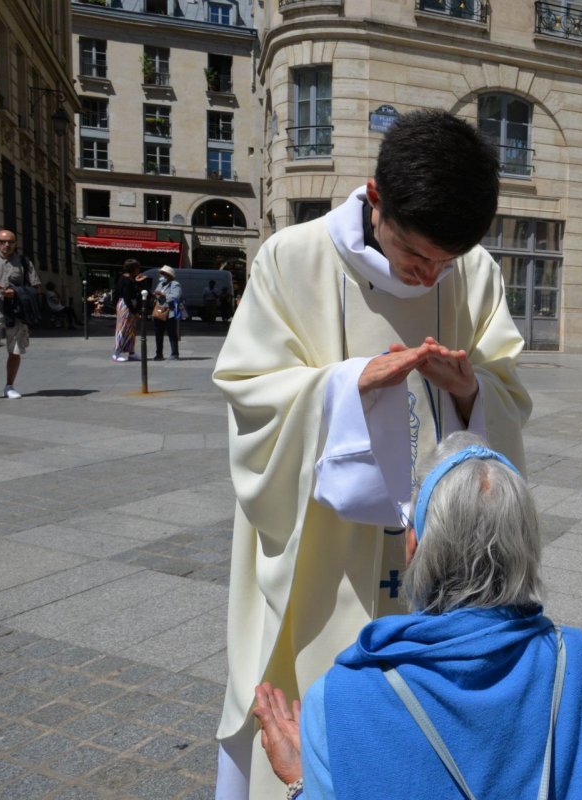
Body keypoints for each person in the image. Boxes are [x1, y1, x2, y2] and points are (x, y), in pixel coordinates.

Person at [212, 109, 531, 800]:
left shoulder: (468, 271)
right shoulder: (292, 259)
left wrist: (473, 388)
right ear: (375, 198)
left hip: (435, 543)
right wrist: (346, 388)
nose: (429, 276)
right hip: (326, 542)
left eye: (444, 264)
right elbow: (249, 392)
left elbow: (510, 383)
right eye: (417, 256)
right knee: (322, 686)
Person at [252, 433, 582, 800]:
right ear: (527, 548)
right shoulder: (576, 663)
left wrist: (301, 781)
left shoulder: (338, 701)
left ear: (413, 546)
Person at [0, 228, 42, 399]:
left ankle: (9, 386)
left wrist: (17, 292)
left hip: (16, 313)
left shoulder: (23, 262)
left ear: (15, 244)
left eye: (10, 242)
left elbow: (36, 288)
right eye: (2, 241)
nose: (6, 245)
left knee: (14, 351)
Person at [112, 259, 143, 362]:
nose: (139, 270)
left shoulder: (128, 279)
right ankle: (116, 353)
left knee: (131, 329)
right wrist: (134, 310)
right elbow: (126, 297)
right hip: (126, 305)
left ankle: (131, 352)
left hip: (127, 305)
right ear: (133, 268)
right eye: (137, 267)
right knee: (123, 328)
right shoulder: (125, 280)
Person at [152, 265, 182, 361]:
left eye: (164, 273)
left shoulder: (175, 284)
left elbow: (175, 296)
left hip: (170, 312)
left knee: (172, 333)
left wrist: (163, 294)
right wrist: (156, 295)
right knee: (158, 333)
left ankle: (174, 354)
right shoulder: (160, 284)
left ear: (169, 275)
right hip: (159, 310)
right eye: (161, 273)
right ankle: (159, 354)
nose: (162, 275)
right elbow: (157, 295)